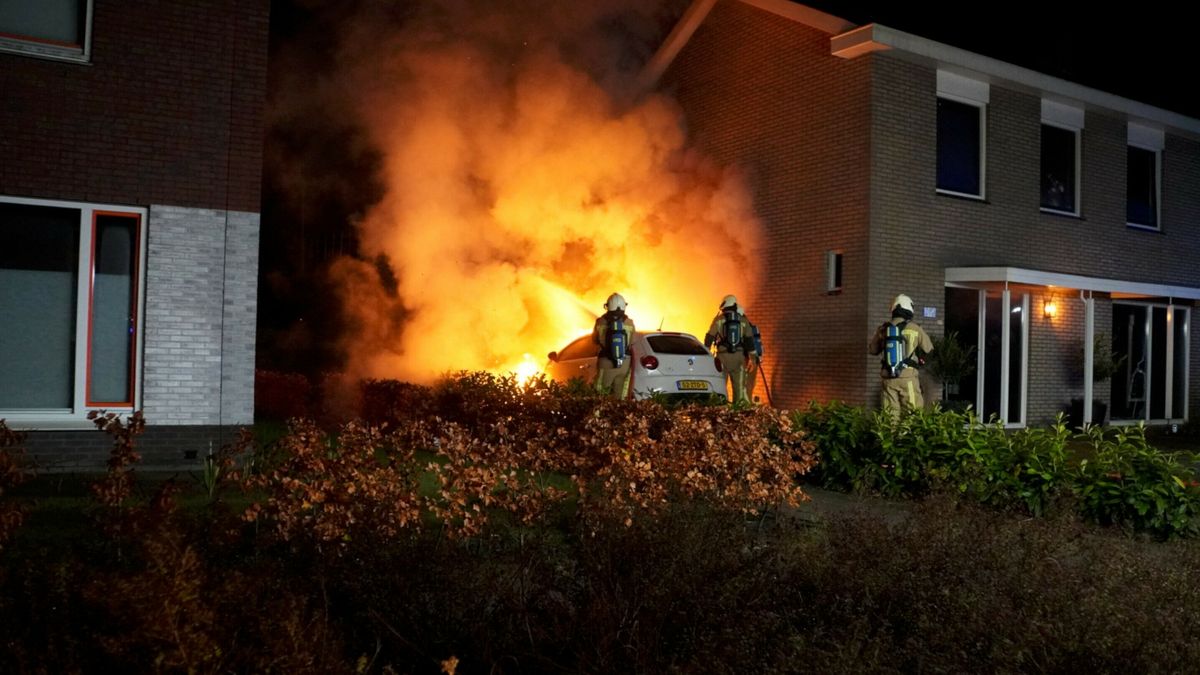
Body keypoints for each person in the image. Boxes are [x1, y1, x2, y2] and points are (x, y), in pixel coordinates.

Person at [868, 293, 934, 417]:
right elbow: (929, 349)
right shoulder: (915, 328)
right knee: (913, 412)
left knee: (890, 415)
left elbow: (872, 350)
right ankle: (908, 430)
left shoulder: (883, 329)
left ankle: (892, 430)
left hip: (888, 377)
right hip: (908, 377)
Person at [705, 295, 754, 405]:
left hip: (722, 358)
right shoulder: (743, 320)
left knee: (720, 386)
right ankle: (739, 410)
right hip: (739, 358)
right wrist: (752, 358)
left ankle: (720, 409)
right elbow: (749, 340)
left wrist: (706, 351)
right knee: (739, 387)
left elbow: (709, 337)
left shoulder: (719, 320)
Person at [593, 292, 635, 397]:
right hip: (625, 362)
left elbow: (594, 340)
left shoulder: (600, 322)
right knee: (620, 394)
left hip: (606, 361)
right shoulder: (630, 323)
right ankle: (619, 407)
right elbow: (632, 342)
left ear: (607, 306)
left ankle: (600, 408)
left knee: (601, 391)